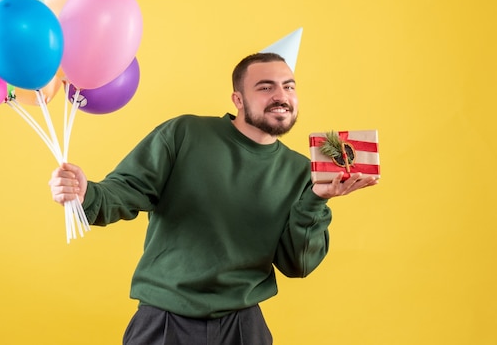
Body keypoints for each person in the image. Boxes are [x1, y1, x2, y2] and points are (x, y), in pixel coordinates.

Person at [49, 52, 378, 345]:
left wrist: (316, 200)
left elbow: (298, 264)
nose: (281, 96)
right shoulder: (185, 133)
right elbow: (126, 190)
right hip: (164, 320)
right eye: (265, 87)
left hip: (243, 327)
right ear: (238, 98)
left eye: (289, 87)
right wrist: (86, 192)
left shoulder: (300, 171)